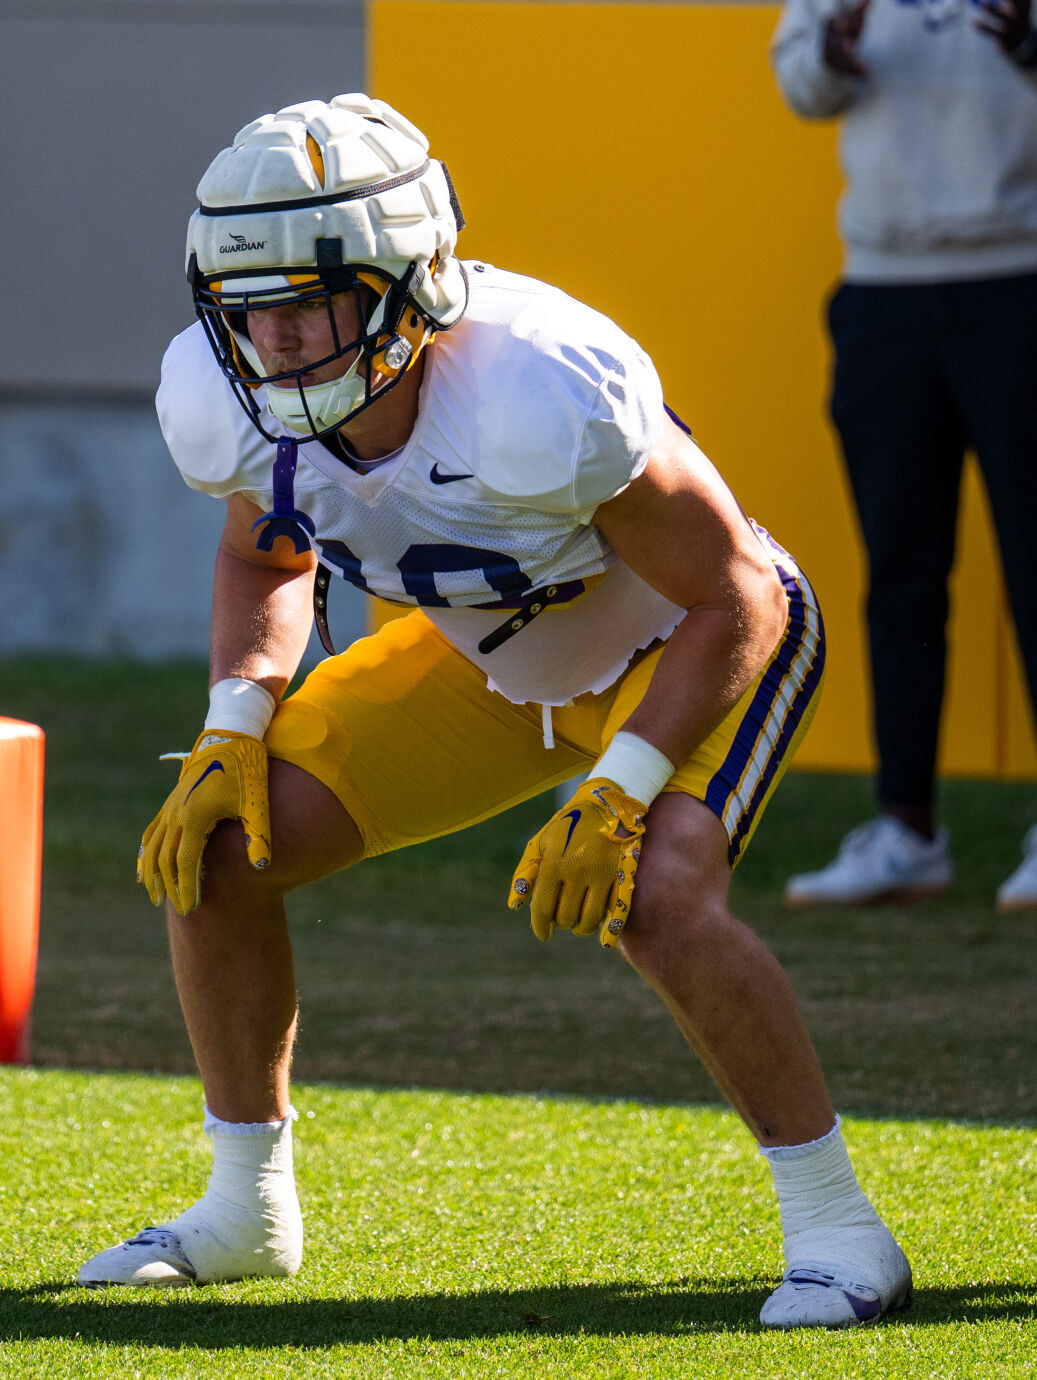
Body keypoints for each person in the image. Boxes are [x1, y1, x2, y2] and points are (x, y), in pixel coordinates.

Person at [76, 94, 911, 1329]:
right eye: (251, 310)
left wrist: (622, 788)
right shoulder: (229, 398)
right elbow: (266, 559)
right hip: (485, 662)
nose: (280, 340)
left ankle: (840, 1228)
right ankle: (245, 1209)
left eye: (312, 301)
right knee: (219, 845)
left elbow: (735, 596)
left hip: (674, 644)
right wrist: (232, 723)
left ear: (412, 283)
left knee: (657, 894)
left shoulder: (536, 386)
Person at [771, 0, 1037, 909]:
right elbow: (798, 83)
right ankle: (905, 831)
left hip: (1020, 278)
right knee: (900, 573)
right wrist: (832, 53)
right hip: (882, 290)